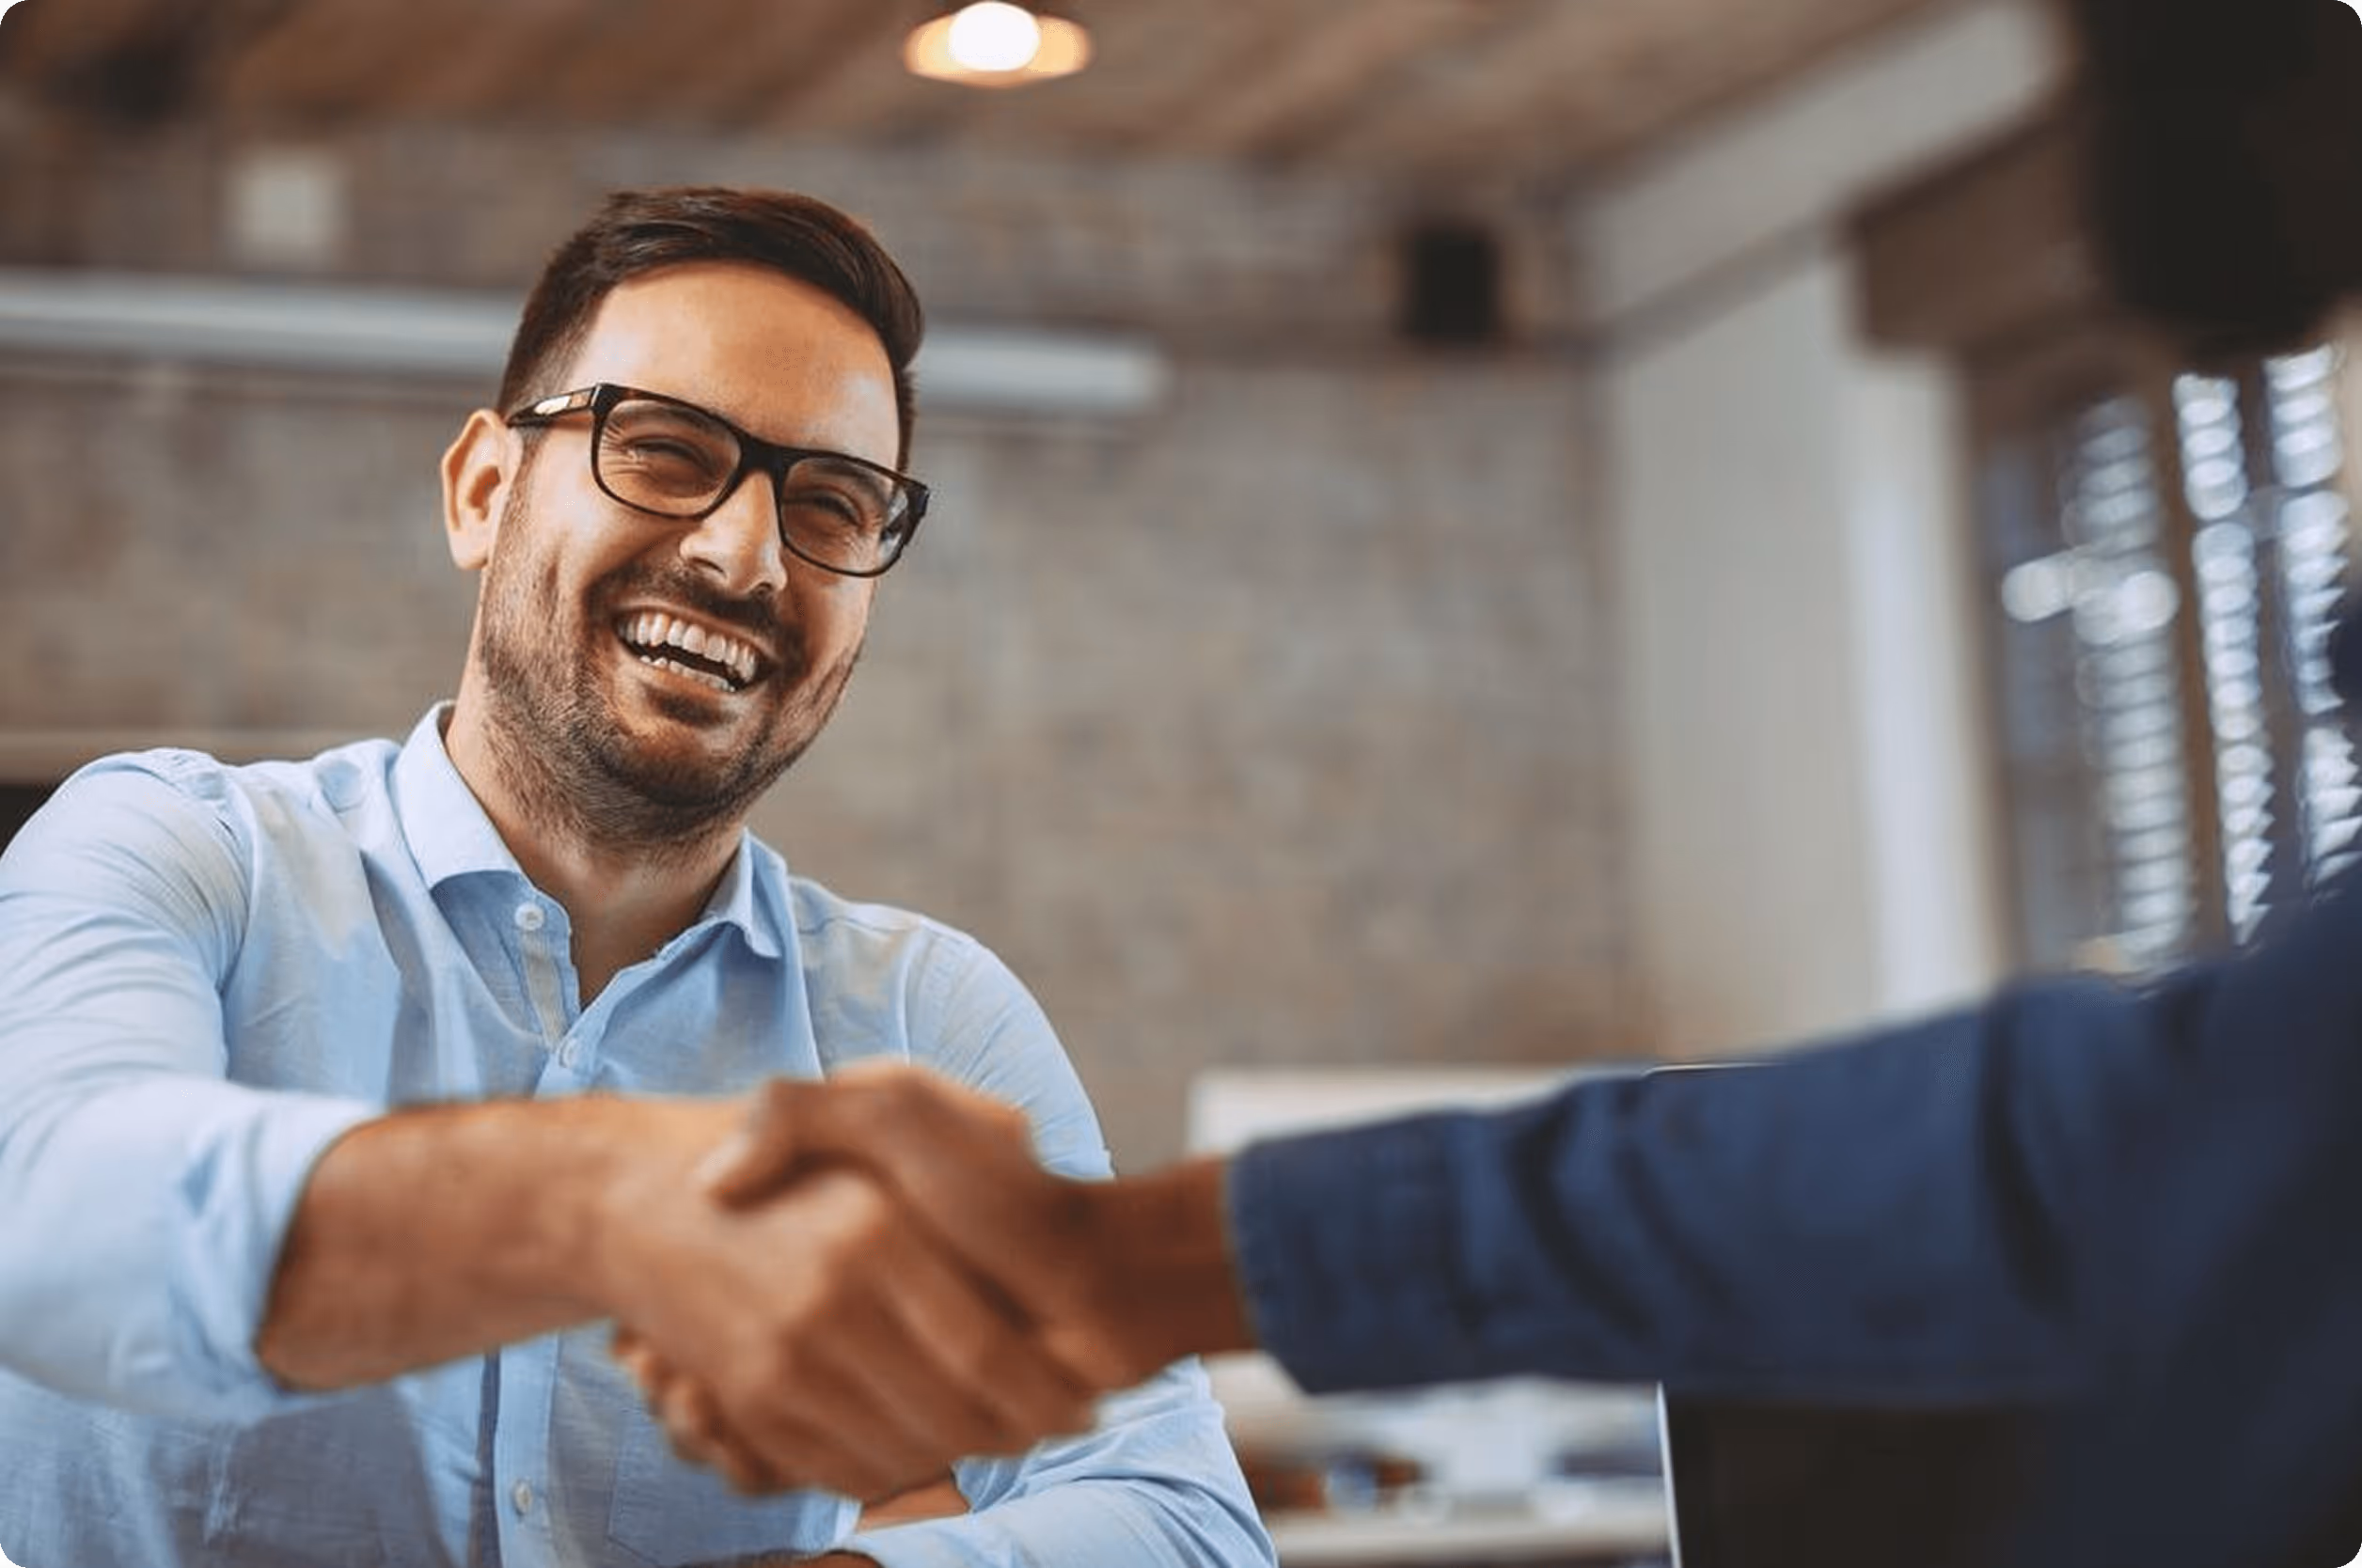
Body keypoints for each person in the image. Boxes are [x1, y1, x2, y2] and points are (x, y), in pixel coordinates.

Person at [0, 186, 1272, 1568]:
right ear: (483, 492)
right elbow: (52, 1216)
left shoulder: (926, 1021)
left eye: (833, 505)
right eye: (662, 451)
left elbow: (1182, 1521)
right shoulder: (177, 851)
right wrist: (612, 1202)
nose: (745, 557)